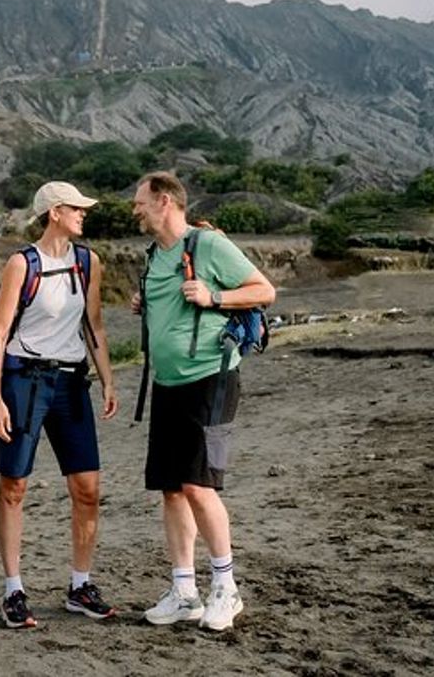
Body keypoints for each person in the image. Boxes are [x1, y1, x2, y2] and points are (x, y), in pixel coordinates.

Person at [131, 172, 276, 632]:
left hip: (210, 379)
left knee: (198, 484)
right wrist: (146, 304)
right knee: (172, 488)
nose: (134, 209)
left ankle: (226, 589)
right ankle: (184, 592)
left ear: (165, 201)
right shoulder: (154, 256)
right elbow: (168, 306)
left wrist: (215, 297)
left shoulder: (207, 245)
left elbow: (264, 290)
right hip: (167, 383)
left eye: (140, 202)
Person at [0, 181, 119, 629]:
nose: (84, 214)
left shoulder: (88, 262)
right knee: (14, 487)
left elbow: (94, 324)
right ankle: (13, 590)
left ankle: (80, 585)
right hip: (24, 379)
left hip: (70, 383)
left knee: (87, 489)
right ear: (55, 212)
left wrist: (107, 381)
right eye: (77, 208)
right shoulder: (22, 264)